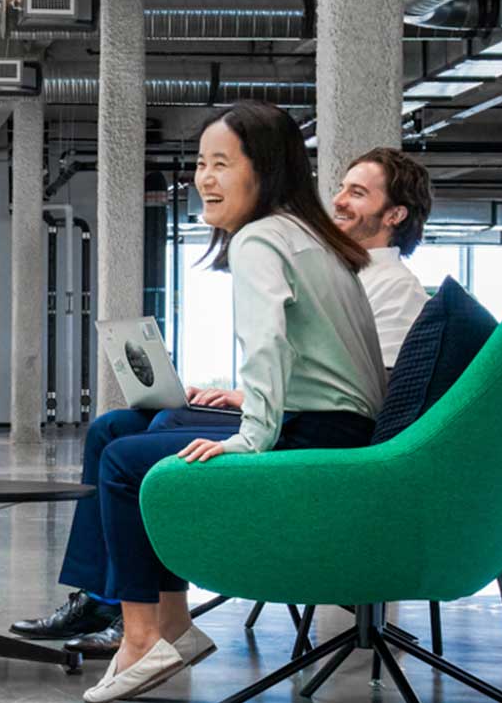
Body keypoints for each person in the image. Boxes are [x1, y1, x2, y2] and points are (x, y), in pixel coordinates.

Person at [12, 145, 435, 657]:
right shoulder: (341, 270)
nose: (339, 200)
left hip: (316, 437)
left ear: (395, 215)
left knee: (145, 442)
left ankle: (143, 616)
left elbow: (366, 392)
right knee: (112, 427)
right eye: (342, 187)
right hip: (288, 413)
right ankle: (101, 597)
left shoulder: (393, 288)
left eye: (358, 193)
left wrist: (252, 403)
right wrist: (239, 395)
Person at [66, 101, 385, 702]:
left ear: (264, 170)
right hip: (330, 425)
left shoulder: (261, 238)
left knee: (124, 462)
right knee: (118, 428)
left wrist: (250, 438)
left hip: (317, 436)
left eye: (221, 164)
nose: (203, 179)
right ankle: (173, 624)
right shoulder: (303, 233)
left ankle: (141, 638)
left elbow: (268, 343)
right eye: (200, 163)